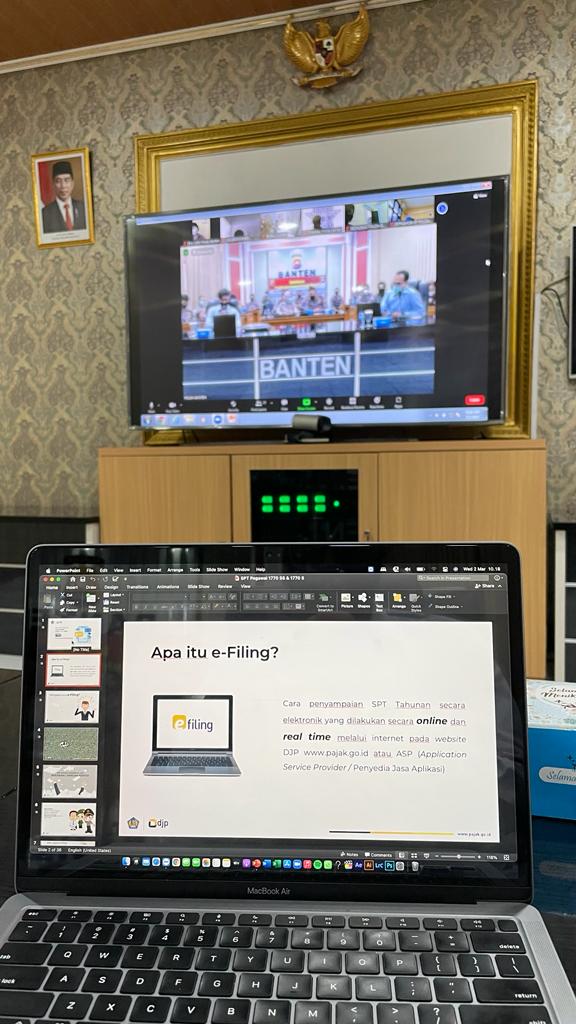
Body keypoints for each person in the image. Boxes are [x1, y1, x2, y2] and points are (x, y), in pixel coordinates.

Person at [41, 160, 86, 234]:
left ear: (72, 184)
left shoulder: (83, 208)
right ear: (53, 185)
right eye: (58, 181)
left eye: (67, 180)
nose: (63, 186)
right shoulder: (45, 213)